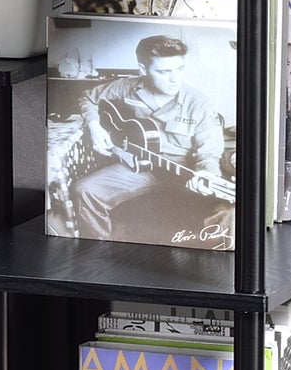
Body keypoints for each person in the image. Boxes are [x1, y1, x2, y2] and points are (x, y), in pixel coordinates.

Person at [66, 34, 231, 240]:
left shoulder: (199, 103)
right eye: (164, 72)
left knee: (225, 213)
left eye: (179, 69)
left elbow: (209, 153)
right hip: (142, 166)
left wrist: (206, 174)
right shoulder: (127, 86)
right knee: (85, 190)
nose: (175, 79)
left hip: (184, 171)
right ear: (143, 70)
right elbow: (88, 97)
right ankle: (98, 250)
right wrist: (94, 126)